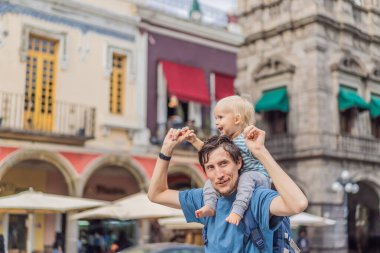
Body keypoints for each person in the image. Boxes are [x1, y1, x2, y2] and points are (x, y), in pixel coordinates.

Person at [148, 126, 308, 252]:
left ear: (238, 163)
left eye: (223, 163)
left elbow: (297, 204)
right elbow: (156, 194)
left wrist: (261, 152)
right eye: (210, 167)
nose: (219, 174)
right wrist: (166, 150)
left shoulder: (256, 198)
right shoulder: (205, 200)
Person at [185, 95, 270, 225]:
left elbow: (260, 155)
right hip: (241, 180)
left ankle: (238, 210)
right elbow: (211, 154)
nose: (216, 122)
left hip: (258, 177)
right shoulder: (227, 142)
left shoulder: (246, 139)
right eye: (215, 118)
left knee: (246, 178)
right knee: (210, 182)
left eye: (220, 117)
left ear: (237, 119)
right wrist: (194, 141)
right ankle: (210, 206)